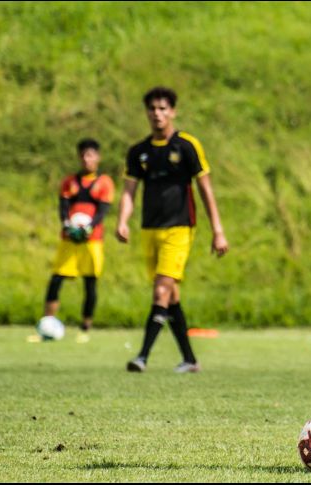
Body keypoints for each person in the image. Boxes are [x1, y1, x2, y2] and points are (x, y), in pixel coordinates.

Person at [116, 86, 229, 373]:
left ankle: (141, 356)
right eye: (152, 109)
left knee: (160, 291)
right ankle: (190, 360)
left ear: (173, 112)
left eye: (163, 108)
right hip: (149, 230)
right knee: (171, 296)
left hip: (179, 229)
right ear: (146, 113)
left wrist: (217, 230)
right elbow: (129, 190)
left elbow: (205, 188)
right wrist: (122, 220)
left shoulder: (187, 146)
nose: (157, 114)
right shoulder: (138, 152)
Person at [43, 138, 114, 343]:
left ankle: (85, 328)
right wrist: (67, 224)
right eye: (83, 155)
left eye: (90, 155)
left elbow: (103, 211)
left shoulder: (103, 183)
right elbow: (63, 207)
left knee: (90, 283)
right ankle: (47, 323)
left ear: (97, 158)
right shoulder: (69, 182)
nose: (86, 159)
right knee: (56, 280)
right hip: (69, 240)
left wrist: (89, 227)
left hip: (92, 242)